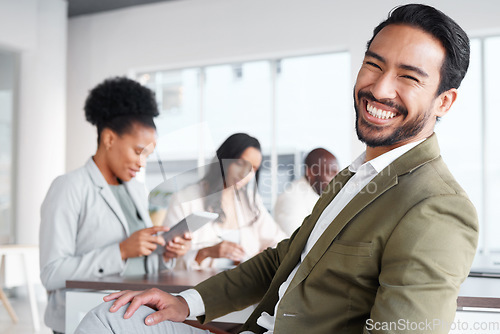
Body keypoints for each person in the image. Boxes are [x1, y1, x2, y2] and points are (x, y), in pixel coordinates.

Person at [75, 4, 479, 334]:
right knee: (111, 317)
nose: (380, 88)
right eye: (374, 65)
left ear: (444, 102)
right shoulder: (357, 176)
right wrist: (188, 303)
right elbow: (284, 258)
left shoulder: (436, 206)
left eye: (409, 77)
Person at [39, 77, 191, 333]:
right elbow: (51, 273)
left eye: (147, 155)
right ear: (109, 138)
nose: (142, 163)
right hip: (83, 318)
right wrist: (120, 251)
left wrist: (165, 254)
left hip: (131, 317)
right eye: (137, 151)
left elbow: (140, 264)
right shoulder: (69, 187)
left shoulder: (136, 189)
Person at [164, 133, 286, 269]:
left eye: (253, 169)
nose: (245, 174)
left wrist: (264, 256)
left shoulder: (251, 201)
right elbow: (166, 260)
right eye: (240, 164)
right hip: (196, 286)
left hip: (243, 284)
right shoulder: (185, 199)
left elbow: (279, 241)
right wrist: (206, 252)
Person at [273, 148, 339, 236]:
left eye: (337, 174)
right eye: (331, 174)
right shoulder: (290, 199)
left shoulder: (321, 195)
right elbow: (298, 242)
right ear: (311, 172)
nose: (337, 180)